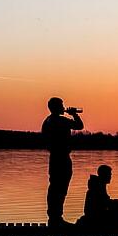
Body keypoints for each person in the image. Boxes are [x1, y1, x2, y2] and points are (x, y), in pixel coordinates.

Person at [42, 97, 84, 227]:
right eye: (61, 105)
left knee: (55, 187)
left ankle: (54, 217)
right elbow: (79, 126)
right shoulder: (60, 120)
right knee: (60, 188)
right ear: (55, 107)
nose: (63, 107)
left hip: (54, 157)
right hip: (62, 158)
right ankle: (56, 219)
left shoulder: (47, 121)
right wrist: (74, 114)